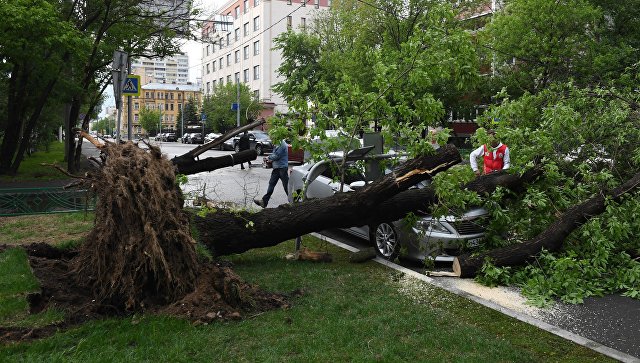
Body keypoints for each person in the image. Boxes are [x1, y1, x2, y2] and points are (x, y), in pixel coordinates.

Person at [254, 138, 289, 208]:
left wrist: (268, 158)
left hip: (282, 168)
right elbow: (275, 154)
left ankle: (294, 202)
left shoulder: (282, 144)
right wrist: (270, 159)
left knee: (286, 186)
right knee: (271, 184)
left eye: (273, 137)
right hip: (276, 168)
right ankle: (264, 202)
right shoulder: (278, 144)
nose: (272, 139)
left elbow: (277, 156)